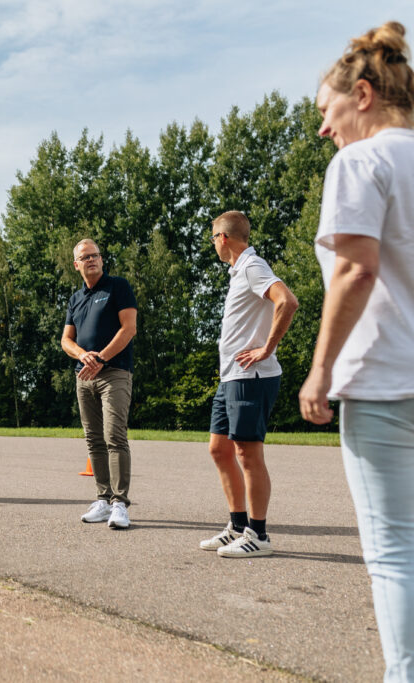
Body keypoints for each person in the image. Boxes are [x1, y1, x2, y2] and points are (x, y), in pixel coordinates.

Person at [299, 20, 414, 680]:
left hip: (382, 380)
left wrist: (321, 369)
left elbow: (356, 268)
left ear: (362, 94)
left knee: (396, 552)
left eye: (326, 110)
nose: (324, 128)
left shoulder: (361, 161)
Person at [202, 211, 298, 558]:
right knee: (219, 449)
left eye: (213, 237)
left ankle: (258, 535)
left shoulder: (253, 265)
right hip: (231, 376)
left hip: (251, 377)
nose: (213, 243)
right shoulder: (238, 271)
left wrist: (267, 349)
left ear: (223, 238)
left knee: (247, 452)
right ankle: (237, 525)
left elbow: (287, 301)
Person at [61, 239, 137, 529]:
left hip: (114, 372)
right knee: (93, 439)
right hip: (84, 377)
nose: (91, 260)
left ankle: (120, 503)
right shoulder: (75, 298)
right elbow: (66, 340)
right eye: (85, 257)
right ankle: (103, 500)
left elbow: (129, 328)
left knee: (114, 436)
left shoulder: (118, 286)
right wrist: (84, 356)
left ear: (102, 260)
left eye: (95, 255)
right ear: (76, 264)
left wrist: (101, 359)